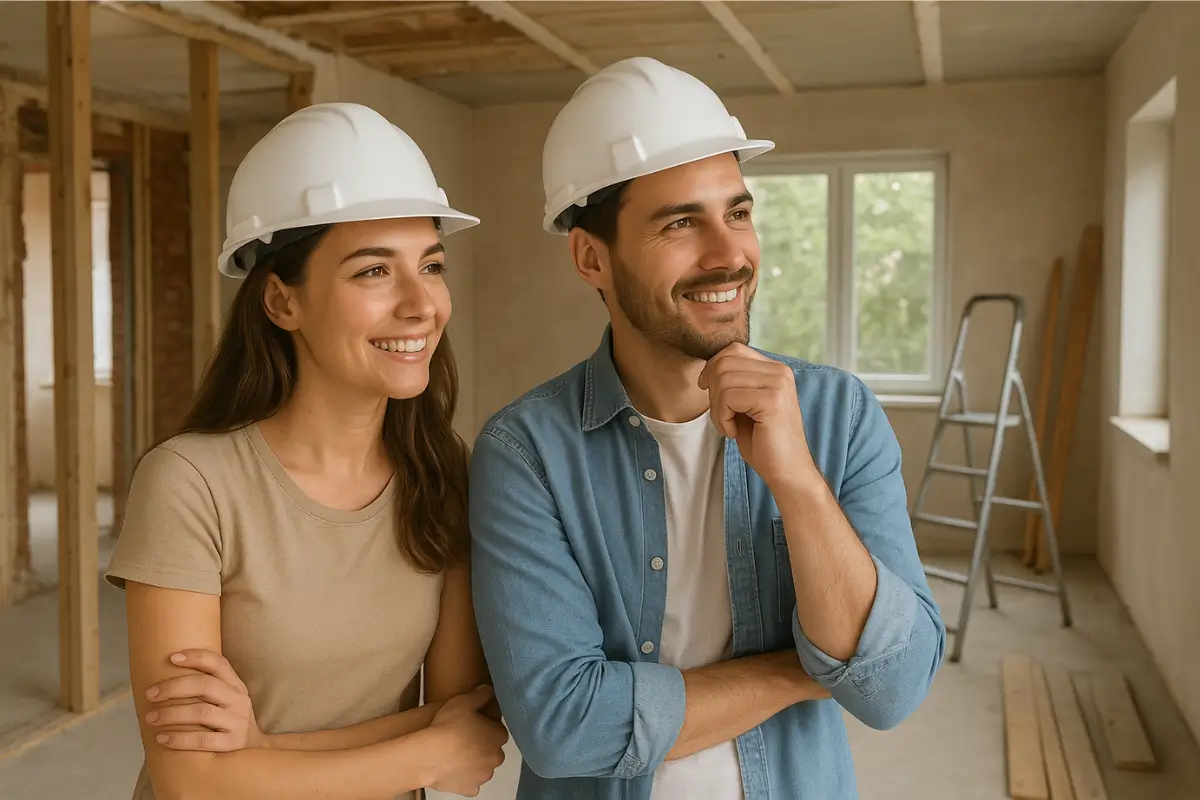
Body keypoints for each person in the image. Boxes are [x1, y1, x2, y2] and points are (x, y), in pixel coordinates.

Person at [467, 57, 946, 800]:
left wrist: (796, 480)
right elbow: (564, 728)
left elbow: (890, 690)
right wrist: (802, 668)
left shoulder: (838, 416)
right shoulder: (526, 453)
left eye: (738, 212)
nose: (729, 254)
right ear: (592, 257)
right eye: (680, 223)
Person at [104, 102, 508, 800]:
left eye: (431, 265)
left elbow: (463, 724)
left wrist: (263, 749)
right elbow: (189, 780)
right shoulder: (191, 483)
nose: (421, 304)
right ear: (281, 302)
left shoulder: (442, 474)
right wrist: (422, 754)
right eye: (373, 272)